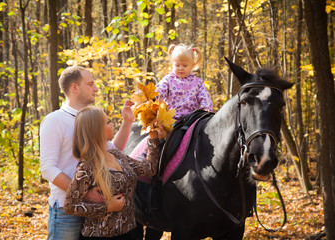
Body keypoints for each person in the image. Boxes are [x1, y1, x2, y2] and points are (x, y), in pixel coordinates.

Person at [40, 66, 135, 240]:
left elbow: (113, 150)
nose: (96, 88)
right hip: (66, 211)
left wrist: (127, 122)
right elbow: (47, 168)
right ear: (75, 87)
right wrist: (83, 193)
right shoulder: (55, 120)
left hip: (96, 212)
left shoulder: (93, 118)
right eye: (90, 84)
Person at [64, 106, 160, 240]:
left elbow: (149, 168)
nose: (113, 124)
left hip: (130, 233)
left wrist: (153, 135)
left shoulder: (117, 155)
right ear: (97, 130)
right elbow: (70, 206)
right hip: (100, 236)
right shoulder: (87, 166)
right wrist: (107, 207)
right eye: (108, 122)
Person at [156, 43, 213, 120]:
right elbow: (159, 91)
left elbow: (205, 97)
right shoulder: (168, 80)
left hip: (192, 118)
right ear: (172, 64)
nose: (181, 68)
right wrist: (152, 98)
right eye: (177, 65)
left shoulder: (198, 83)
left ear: (192, 65)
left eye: (185, 66)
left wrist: (205, 109)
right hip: (171, 119)